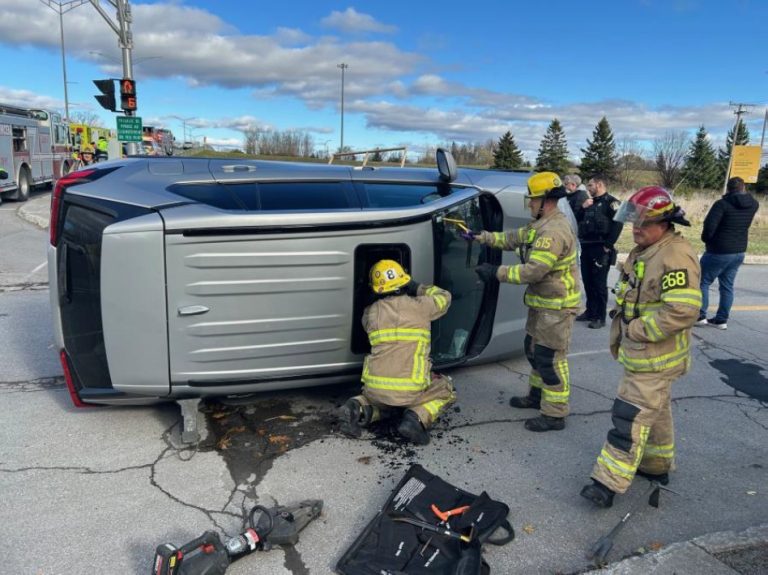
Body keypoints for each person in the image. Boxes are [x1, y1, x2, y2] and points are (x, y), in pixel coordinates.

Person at [581, 186, 701, 508]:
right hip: (642, 355)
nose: (635, 228)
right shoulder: (643, 250)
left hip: (656, 356)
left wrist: (636, 329)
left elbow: (683, 310)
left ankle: (606, 482)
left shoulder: (674, 255)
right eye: (634, 222)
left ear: (664, 223)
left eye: (644, 223)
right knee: (655, 410)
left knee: (629, 416)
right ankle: (656, 466)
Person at [464, 172, 581, 432]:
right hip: (542, 305)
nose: (529, 205)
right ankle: (537, 396)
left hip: (557, 308)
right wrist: (481, 236)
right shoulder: (539, 225)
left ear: (546, 200)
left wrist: (496, 272)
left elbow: (533, 271)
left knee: (549, 359)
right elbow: (512, 238)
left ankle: (555, 414)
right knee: (532, 350)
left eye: (532, 200)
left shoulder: (553, 231)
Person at [339, 259, 455, 445]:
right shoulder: (422, 306)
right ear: (403, 282)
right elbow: (445, 296)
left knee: (387, 407)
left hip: (375, 390)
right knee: (447, 389)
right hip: (410, 391)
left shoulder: (370, 313)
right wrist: (417, 287)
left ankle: (357, 407)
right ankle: (415, 419)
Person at [696, 176, 759, 330]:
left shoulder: (721, 205)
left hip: (718, 250)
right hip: (738, 251)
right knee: (727, 286)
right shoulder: (754, 204)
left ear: (728, 189)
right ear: (744, 188)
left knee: (703, 281)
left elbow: (709, 226)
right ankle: (721, 319)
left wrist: (707, 240)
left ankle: (700, 315)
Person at [573, 175, 624, 329]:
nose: (588, 189)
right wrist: (583, 207)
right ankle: (590, 311)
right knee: (588, 282)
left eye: (590, 185)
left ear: (599, 184)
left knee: (599, 284)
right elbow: (576, 219)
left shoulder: (612, 202)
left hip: (601, 248)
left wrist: (608, 245)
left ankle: (600, 317)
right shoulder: (589, 202)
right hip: (586, 246)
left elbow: (618, 223)